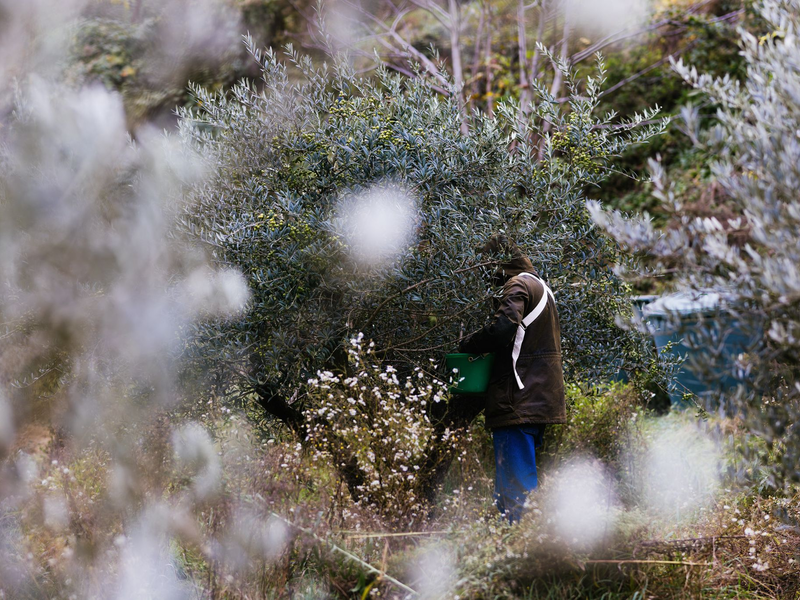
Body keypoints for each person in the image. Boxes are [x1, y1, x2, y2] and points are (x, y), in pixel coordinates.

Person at [458, 235, 566, 522]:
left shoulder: (518, 284)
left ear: (498, 264)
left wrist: (468, 344)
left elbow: (503, 329)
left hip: (517, 398)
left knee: (517, 489)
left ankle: (527, 552)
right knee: (513, 486)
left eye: (486, 267)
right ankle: (514, 547)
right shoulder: (543, 288)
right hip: (539, 397)